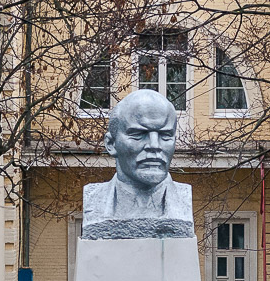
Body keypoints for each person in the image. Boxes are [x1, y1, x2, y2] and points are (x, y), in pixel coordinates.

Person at [81, 89, 194, 239]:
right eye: (138, 134)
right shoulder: (94, 200)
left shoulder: (183, 201)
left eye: (165, 135)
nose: (154, 145)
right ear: (111, 144)